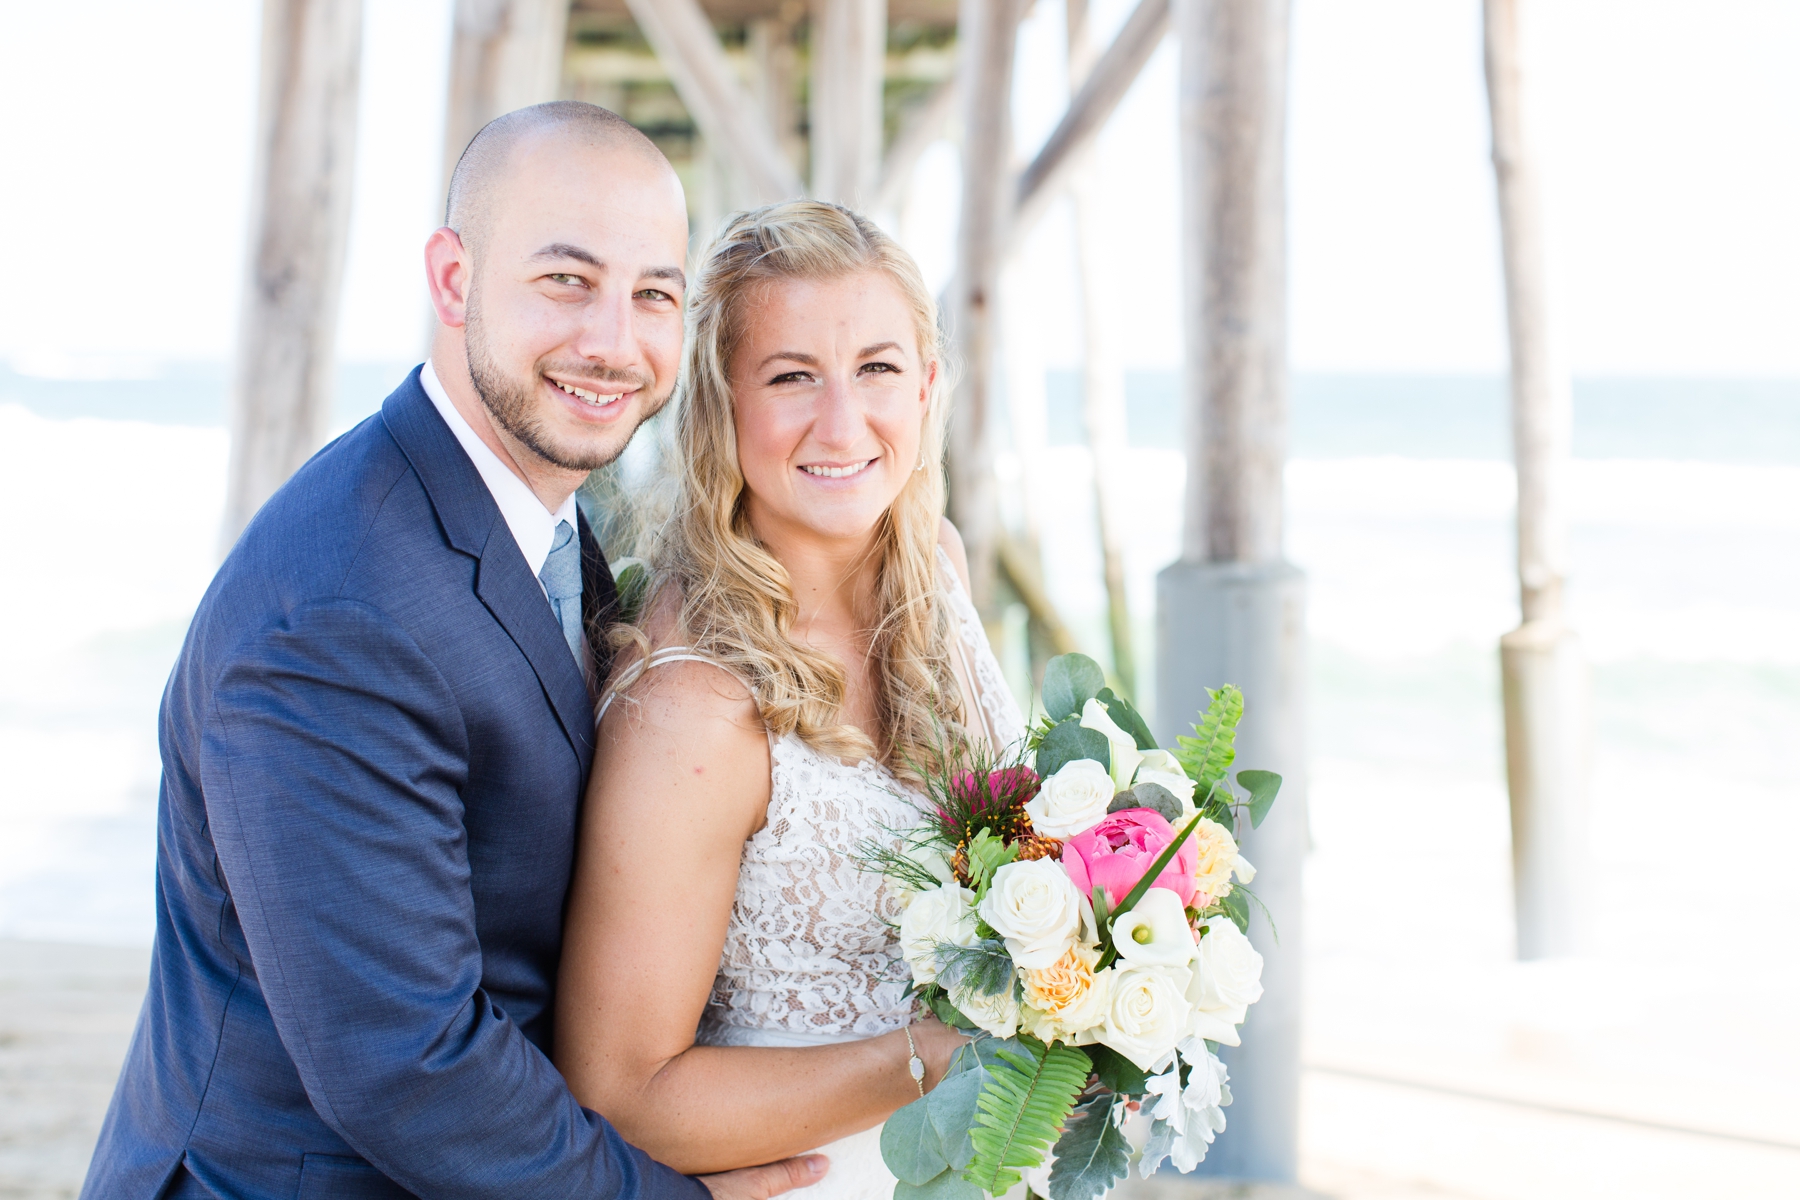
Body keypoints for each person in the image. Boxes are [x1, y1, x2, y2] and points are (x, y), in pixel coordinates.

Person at [83, 103, 822, 1200]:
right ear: (452, 279)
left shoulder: (550, 530)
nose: (615, 343)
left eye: (654, 295)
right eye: (566, 281)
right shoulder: (341, 612)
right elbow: (405, 1069)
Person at [554, 201, 1028, 1197]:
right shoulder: (695, 707)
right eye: (791, 377)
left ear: (930, 386)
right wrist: (928, 1060)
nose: (842, 423)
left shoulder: (939, 576)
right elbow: (619, 1094)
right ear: (721, 409)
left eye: (878, 369)